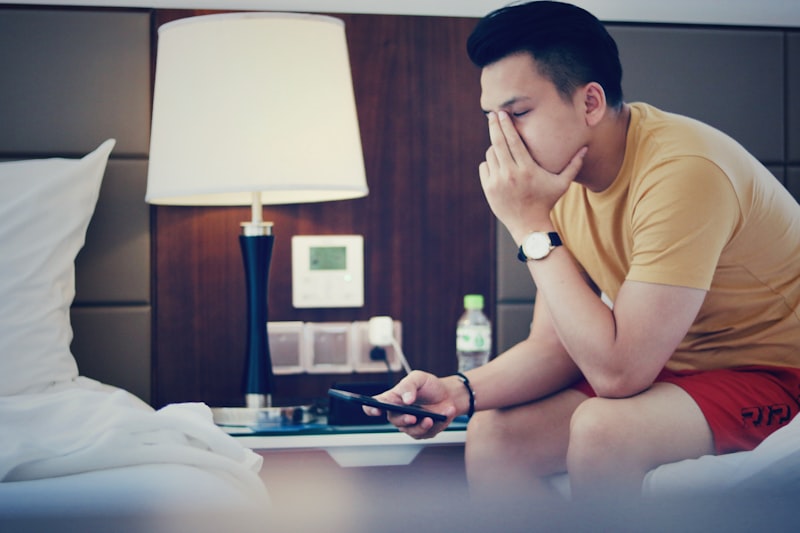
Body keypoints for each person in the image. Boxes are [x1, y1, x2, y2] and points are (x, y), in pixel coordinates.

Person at [366, 0, 800, 503]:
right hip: (679, 370)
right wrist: (456, 390)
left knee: (604, 429)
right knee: (494, 434)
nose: (501, 139)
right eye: (492, 118)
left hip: (777, 374)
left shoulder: (683, 172)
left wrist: (530, 226)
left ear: (590, 103)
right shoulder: (561, 182)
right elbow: (553, 348)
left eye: (518, 114)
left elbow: (619, 374)